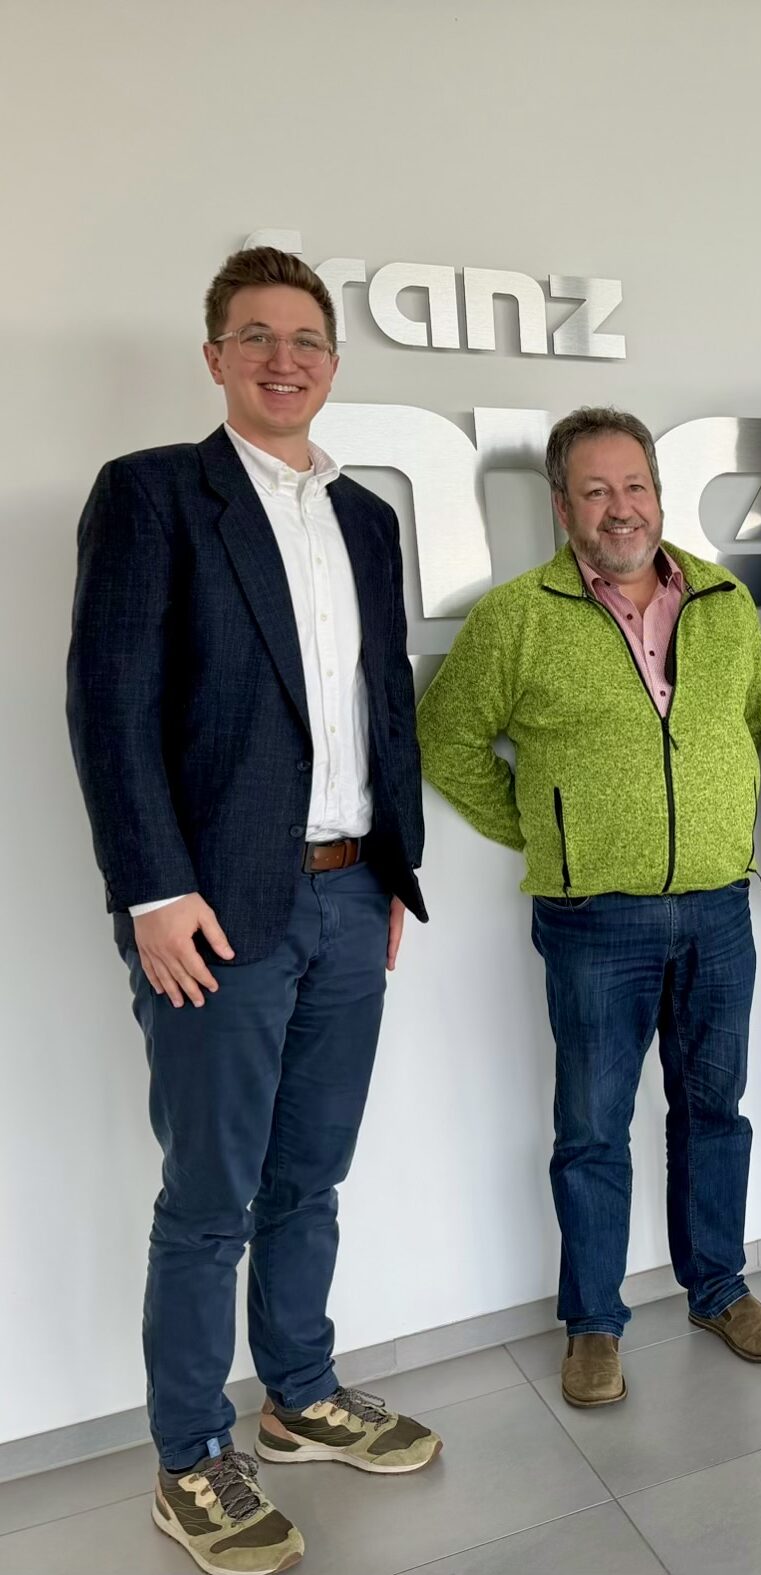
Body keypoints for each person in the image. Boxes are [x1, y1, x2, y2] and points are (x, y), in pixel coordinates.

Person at [66, 247, 439, 1575]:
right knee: (209, 1197)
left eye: (307, 339)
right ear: (215, 355)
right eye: (256, 334)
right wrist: (154, 893)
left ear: (333, 362)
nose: (285, 357)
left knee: (310, 1173)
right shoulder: (157, 495)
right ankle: (188, 1454)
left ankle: (298, 1389)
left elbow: (380, 706)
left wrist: (394, 867)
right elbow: (109, 708)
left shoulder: (366, 519)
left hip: (349, 898)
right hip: (218, 911)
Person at [418, 406, 761, 1410]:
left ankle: (717, 1286)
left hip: (718, 906)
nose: (618, 508)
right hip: (594, 921)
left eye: (632, 487)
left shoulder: (717, 602)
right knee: (591, 1129)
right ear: (561, 505)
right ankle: (593, 1321)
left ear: (659, 497)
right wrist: (552, 835)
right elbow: (447, 739)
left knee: (715, 1112)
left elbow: (753, 723)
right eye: (595, 490)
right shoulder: (518, 617)